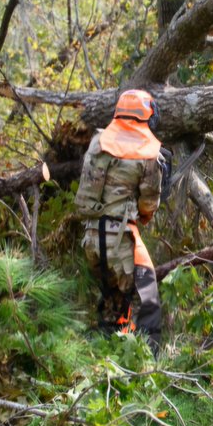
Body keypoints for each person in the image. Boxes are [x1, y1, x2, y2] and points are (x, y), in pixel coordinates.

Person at [75, 89, 166, 353]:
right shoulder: (148, 151)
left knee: (113, 304)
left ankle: (103, 363)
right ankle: (148, 365)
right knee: (146, 302)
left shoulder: (98, 140)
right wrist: (144, 213)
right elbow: (149, 204)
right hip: (120, 243)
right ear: (148, 115)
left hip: (91, 240)